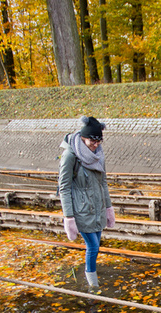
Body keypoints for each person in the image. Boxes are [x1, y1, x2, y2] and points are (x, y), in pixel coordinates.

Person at [58, 116, 115, 289]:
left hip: (97, 207)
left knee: (96, 246)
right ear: (83, 137)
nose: (95, 144)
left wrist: (108, 207)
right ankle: (93, 285)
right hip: (81, 209)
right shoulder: (70, 155)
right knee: (93, 246)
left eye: (98, 141)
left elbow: (103, 182)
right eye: (92, 141)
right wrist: (69, 217)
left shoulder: (98, 154)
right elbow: (64, 187)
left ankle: (92, 273)